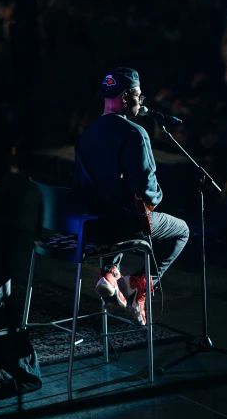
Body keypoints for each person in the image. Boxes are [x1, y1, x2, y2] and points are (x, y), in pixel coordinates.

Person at [74, 68, 190, 326]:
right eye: (139, 95)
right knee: (181, 231)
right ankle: (139, 283)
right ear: (127, 97)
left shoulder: (86, 135)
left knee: (114, 205)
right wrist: (157, 195)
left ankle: (110, 273)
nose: (142, 100)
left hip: (91, 226)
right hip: (123, 226)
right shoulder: (135, 133)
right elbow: (149, 192)